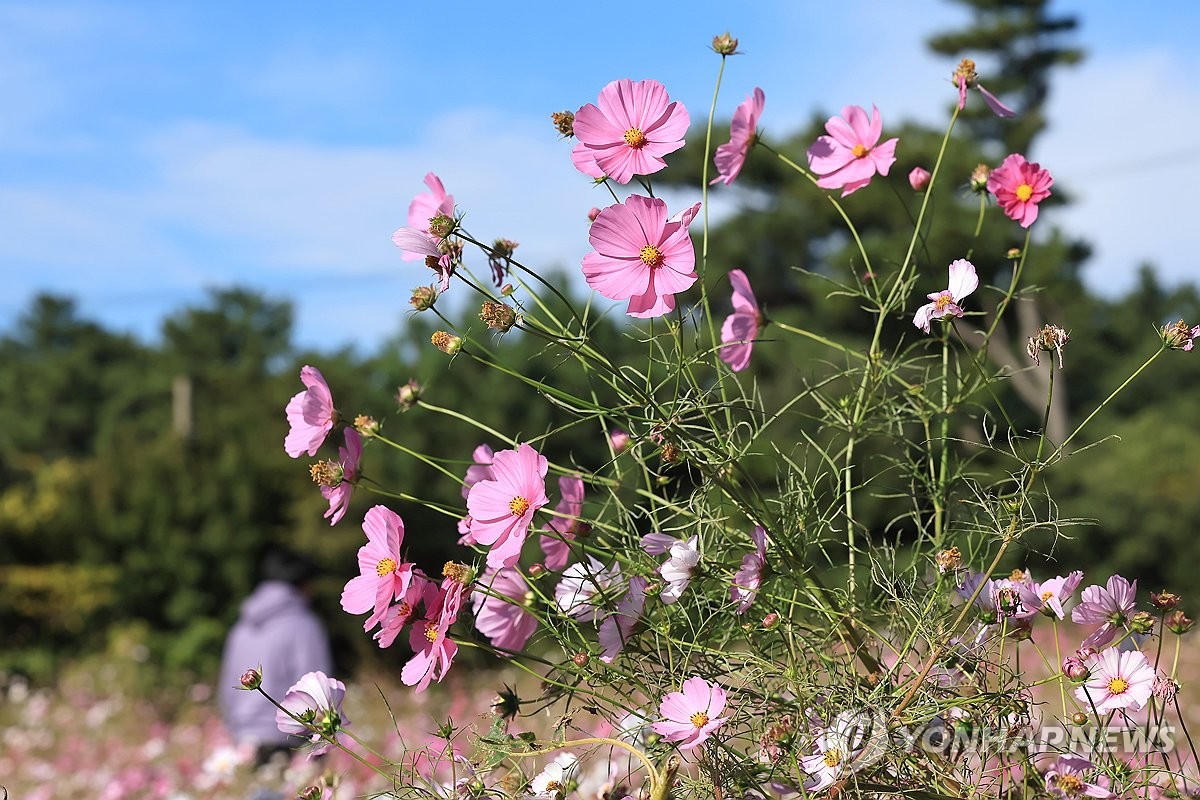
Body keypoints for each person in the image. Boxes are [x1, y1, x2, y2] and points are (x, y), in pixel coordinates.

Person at [219, 546, 333, 766]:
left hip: (242, 742)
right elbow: (317, 687)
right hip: (288, 742)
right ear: (302, 583)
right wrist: (323, 741)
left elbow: (226, 689)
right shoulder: (303, 625)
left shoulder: (241, 627)